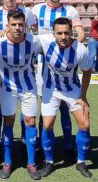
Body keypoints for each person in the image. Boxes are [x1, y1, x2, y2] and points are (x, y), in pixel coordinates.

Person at [32, 0, 86, 162]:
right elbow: (28, 30)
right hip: (44, 65)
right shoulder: (37, 9)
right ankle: (41, 144)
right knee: (47, 106)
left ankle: (69, 145)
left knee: (66, 107)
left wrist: (71, 50)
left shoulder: (69, 10)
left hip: (65, 62)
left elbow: (79, 32)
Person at [0, 11, 42, 180]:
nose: (17, 28)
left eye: (20, 24)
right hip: (7, 88)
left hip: (28, 87)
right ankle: (7, 162)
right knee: (8, 121)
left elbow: (50, 49)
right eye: (14, 24)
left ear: (24, 25)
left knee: (30, 121)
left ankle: (31, 163)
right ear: (7, 26)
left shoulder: (34, 41)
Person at [38, 17, 92, 178]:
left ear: (72, 33)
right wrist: (3, 32)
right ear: (53, 34)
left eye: (66, 33)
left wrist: (83, 96)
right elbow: (22, 37)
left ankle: (81, 162)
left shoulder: (81, 49)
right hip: (51, 90)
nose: (63, 37)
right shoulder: (45, 42)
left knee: (84, 124)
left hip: (72, 89)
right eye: (59, 33)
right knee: (47, 125)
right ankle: (49, 162)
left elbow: (87, 71)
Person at [0, 0, 37, 147]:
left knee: (26, 105)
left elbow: (34, 29)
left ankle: (24, 137)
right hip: (2, 68)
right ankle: (0, 139)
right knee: (1, 104)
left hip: (23, 64)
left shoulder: (26, 12)